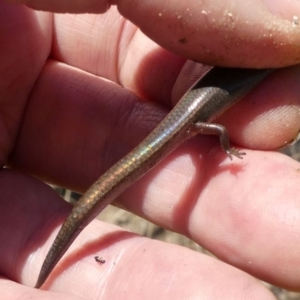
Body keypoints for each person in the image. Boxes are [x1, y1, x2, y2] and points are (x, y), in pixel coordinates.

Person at [1, 0, 300, 298]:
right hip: (192, 118)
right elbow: (221, 128)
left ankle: (46, 269)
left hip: (189, 113)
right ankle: (46, 268)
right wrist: (227, 149)